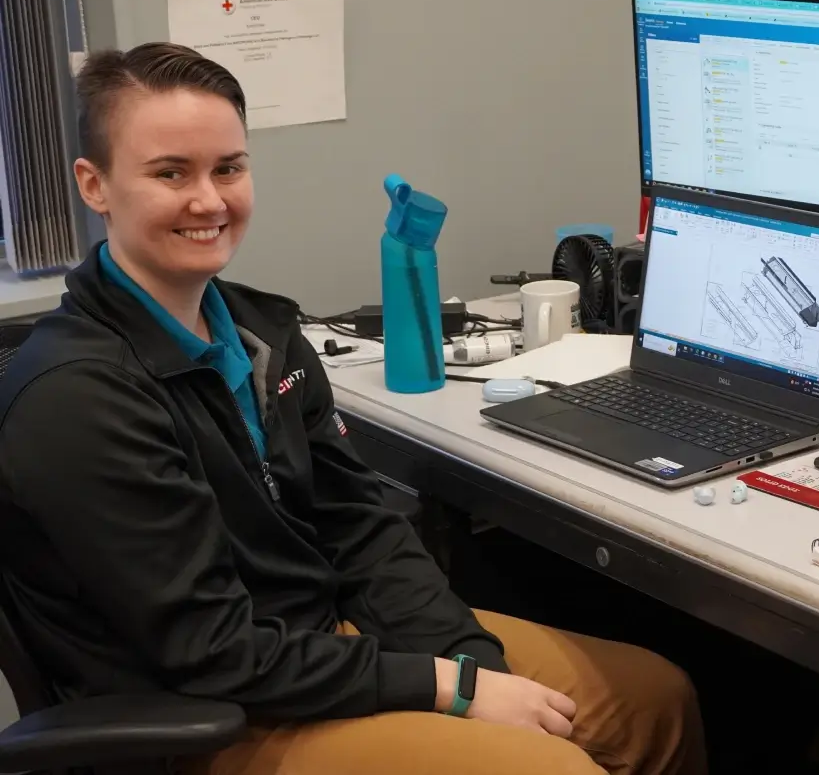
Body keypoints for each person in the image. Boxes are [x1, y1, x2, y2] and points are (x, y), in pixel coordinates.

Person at [0, 42, 707, 775]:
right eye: (170, 172)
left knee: (653, 702)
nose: (208, 200)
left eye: (228, 168)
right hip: (208, 717)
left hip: (320, 644)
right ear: (95, 185)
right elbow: (210, 652)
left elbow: (358, 525)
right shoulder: (78, 399)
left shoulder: (260, 332)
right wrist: (447, 688)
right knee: (549, 768)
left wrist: (470, 663)